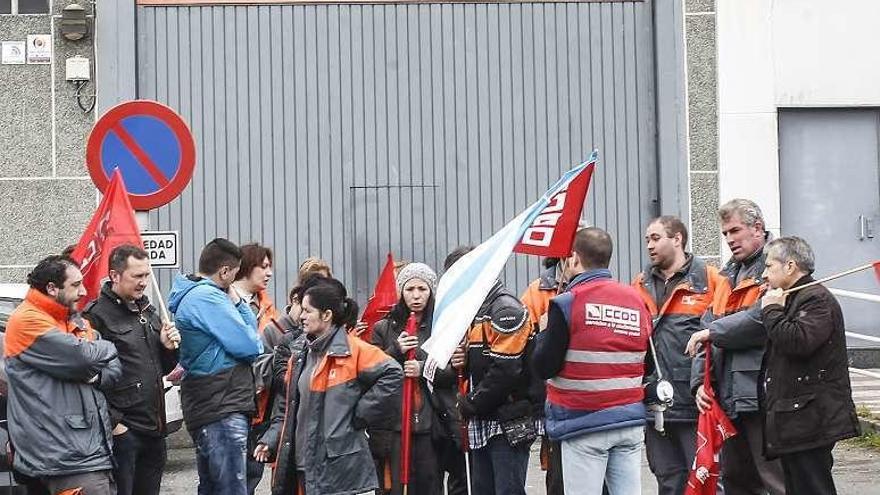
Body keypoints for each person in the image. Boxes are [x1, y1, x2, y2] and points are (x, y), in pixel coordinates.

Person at [253, 278, 402, 495]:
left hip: (340, 467)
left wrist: (359, 414)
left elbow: (393, 373)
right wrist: (271, 440)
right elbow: (287, 408)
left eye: (307, 310)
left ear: (327, 315)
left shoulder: (354, 350)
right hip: (303, 464)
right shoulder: (300, 353)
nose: (301, 316)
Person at [532, 227, 652, 494]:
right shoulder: (637, 300)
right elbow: (648, 363)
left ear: (574, 258)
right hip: (629, 421)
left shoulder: (567, 303)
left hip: (584, 423)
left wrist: (542, 334)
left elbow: (544, 366)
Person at [685, 199, 786, 494]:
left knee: (776, 480)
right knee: (736, 480)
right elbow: (704, 330)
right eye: (726, 233)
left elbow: (760, 322)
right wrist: (699, 385)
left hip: (762, 395)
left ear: (758, 228)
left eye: (735, 231)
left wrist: (711, 333)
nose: (729, 239)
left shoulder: (778, 267)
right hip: (728, 398)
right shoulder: (727, 275)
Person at [4, 255, 122, 494]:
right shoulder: (28, 320)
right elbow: (85, 357)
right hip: (67, 456)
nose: (83, 291)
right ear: (51, 288)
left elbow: (114, 370)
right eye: (76, 285)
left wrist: (96, 375)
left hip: (84, 451)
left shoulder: (72, 319)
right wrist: (108, 346)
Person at [759, 237, 860, 494]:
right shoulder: (791, 298)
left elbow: (798, 341)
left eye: (770, 266)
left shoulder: (816, 299)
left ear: (790, 266)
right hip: (796, 415)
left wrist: (771, 310)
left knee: (812, 486)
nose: (764, 273)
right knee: (798, 485)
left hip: (811, 416)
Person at [167, 238, 263, 495]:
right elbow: (251, 346)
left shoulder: (195, 294)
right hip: (222, 404)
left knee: (213, 486)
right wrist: (238, 302)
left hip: (212, 403)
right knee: (230, 487)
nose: (233, 281)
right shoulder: (207, 297)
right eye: (233, 274)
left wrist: (237, 304)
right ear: (224, 271)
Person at [632, 217, 720, 495]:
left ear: (677, 239)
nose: (649, 245)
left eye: (656, 238)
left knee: (705, 479)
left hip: (695, 402)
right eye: (647, 239)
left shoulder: (710, 280)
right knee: (667, 480)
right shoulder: (640, 283)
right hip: (653, 402)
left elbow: (721, 337)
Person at [83, 245, 180, 495]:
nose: (144, 282)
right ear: (115, 276)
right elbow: (87, 377)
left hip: (154, 428)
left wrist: (169, 348)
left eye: (146, 275)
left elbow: (164, 368)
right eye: (137, 276)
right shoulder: (96, 316)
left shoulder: (147, 310)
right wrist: (116, 424)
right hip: (124, 431)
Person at [445, 246, 537, 495]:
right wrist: (465, 360)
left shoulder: (505, 309)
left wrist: (471, 403)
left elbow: (505, 371)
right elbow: (486, 361)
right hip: (485, 421)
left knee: (507, 491)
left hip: (506, 422)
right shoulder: (477, 310)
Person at [369, 262, 446, 495]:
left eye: (422, 289)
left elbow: (452, 370)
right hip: (394, 426)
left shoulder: (440, 326)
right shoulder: (384, 328)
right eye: (410, 289)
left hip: (430, 423)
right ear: (401, 291)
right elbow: (371, 370)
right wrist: (395, 350)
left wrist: (424, 368)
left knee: (430, 485)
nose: (416, 296)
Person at [231, 243, 279, 494]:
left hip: (261, 407)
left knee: (251, 474)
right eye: (264, 266)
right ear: (247, 267)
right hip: (234, 405)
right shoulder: (226, 303)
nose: (269, 272)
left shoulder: (268, 309)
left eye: (270, 267)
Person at [520, 256, 568, 495]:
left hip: (590, 398)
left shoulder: (598, 288)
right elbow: (522, 343)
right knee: (557, 476)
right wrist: (546, 331)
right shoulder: (537, 291)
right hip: (551, 397)